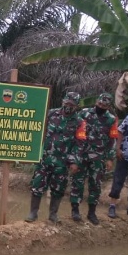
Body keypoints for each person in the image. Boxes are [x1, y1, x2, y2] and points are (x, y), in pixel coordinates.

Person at [25, 92, 82, 224]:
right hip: (45, 159)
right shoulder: (50, 114)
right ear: (63, 101)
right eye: (66, 103)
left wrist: (74, 161)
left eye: (72, 105)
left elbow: (80, 143)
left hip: (62, 162)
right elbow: (38, 130)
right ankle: (33, 213)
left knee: (58, 189)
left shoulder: (79, 122)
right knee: (37, 186)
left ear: (76, 106)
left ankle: (53, 214)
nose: (68, 106)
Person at [70, 93, 117, 225]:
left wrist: (110, 158)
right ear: (96, 101)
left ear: (108, 106)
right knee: (77, 182)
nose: (101, 106)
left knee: (95, 185)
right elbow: (75, 132)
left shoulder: (111, 119)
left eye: (104, 105)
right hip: (81, 154)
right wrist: (73, 155)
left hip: (98, 157)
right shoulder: (84, 113)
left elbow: (112, 139)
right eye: (100, 104)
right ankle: (75, 210)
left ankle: (92, 212)